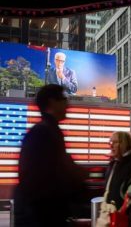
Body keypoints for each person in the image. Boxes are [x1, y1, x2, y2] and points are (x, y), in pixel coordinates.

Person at [14, 84, 87, 227]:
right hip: (41, 216)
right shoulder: (45, 132)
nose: (68, 104)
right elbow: (46, 178)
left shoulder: (46, 130)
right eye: (65, 99)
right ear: (52, 102)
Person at [103, 131, 131, 209]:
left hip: (123, 210)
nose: (111, 146)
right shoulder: (115, 161)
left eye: (115, 142)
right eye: (110, 142)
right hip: (110, 208)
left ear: (124, 144)